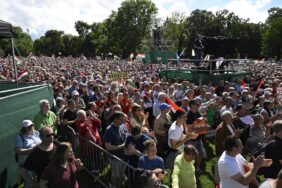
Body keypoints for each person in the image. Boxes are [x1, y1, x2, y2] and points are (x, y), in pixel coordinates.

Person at [103, 111, 128, 187]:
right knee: (115, 175)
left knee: (121, 173)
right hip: (115, 157)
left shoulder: (123, 126)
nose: (123, 121)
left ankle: (119, 185)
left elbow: (126, 135)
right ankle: (114, 185)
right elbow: (108, 147)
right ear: (115, 119)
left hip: (124, 155)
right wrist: (122, 146)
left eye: (124, 119)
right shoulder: (109, 130)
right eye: (121, 119)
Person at [15, 120, 41, 188]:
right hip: (26, 162)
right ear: (23, 128)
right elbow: (18, 150)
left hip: (37, 159)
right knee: (29, 181)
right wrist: (31, 149)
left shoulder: (36, 133)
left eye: (31, 125)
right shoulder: (20, 136)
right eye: (28, 126)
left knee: (36, 178)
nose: (30, 127)